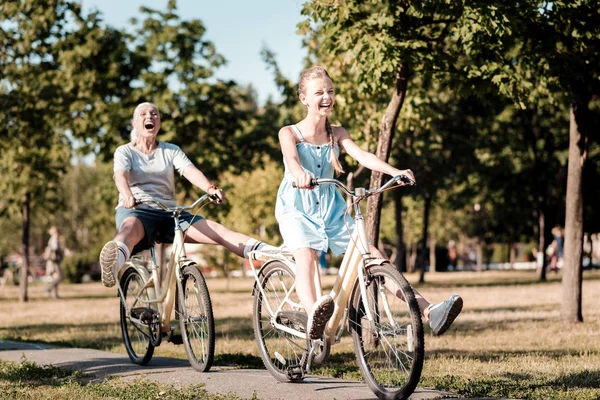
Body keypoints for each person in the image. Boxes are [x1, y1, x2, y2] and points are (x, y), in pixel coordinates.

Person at [275, 66, 462, 339]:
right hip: (297, 209)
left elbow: (363, 156)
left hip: (331, 211)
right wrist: (300, 174)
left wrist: (393, 171)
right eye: (319, 92)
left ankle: (430, 312)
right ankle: (314, 315)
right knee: (305, 256)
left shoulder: (336, 133)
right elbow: (292, 160)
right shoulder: (288, 132)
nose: (326, 97)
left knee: (375, 257)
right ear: (304, 98)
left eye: (330, 91)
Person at [99, 102, 276, 288]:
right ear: (134, 123)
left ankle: (269, 253)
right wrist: (126, 194)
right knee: (129, 229)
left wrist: (209, 189)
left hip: (169, 212)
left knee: (217, 231)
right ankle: (113, 263)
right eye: (143, 114)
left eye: (154, 114)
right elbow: (120, 175)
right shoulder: (125, 151)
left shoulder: (171, 150)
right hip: (138, 209)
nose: (150, 117)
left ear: (159, 122)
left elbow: (190, 171)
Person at [43, 226, 64, 298]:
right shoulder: (54, 239)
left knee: (56, 278)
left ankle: (56, 294)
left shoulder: (52, 239)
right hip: (54, 262)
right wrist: (63, 250)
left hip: (53, 262)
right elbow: (55, 248)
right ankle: (48, 290)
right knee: (59, 277)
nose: (57, 233)